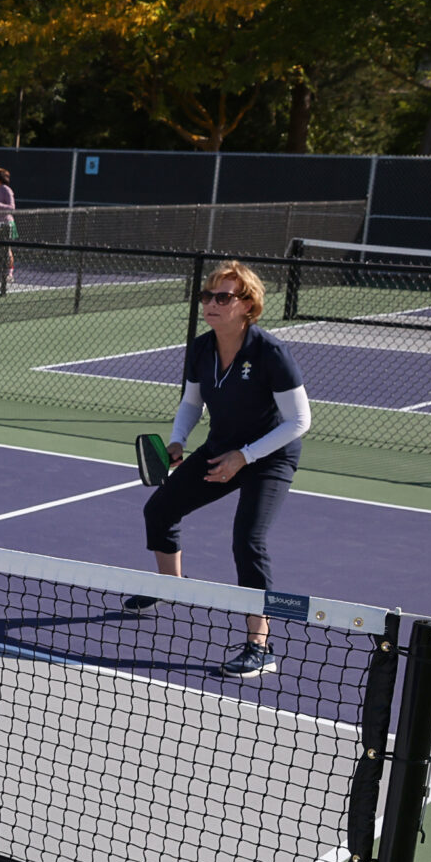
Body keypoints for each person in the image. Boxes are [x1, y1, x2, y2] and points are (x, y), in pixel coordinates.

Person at [128, 262, 310, 680]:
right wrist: (178, 441)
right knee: (159, 511)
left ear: (248, 305)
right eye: (208, 296)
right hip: (221, 447)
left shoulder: (271, 353)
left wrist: (244, 458)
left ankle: (259, 645)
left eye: (223, 297)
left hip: (270, 456)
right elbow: (193, 403)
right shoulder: (202, 347)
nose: (211, 303)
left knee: (249, 539)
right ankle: (171, 587)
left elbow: (299, 421)